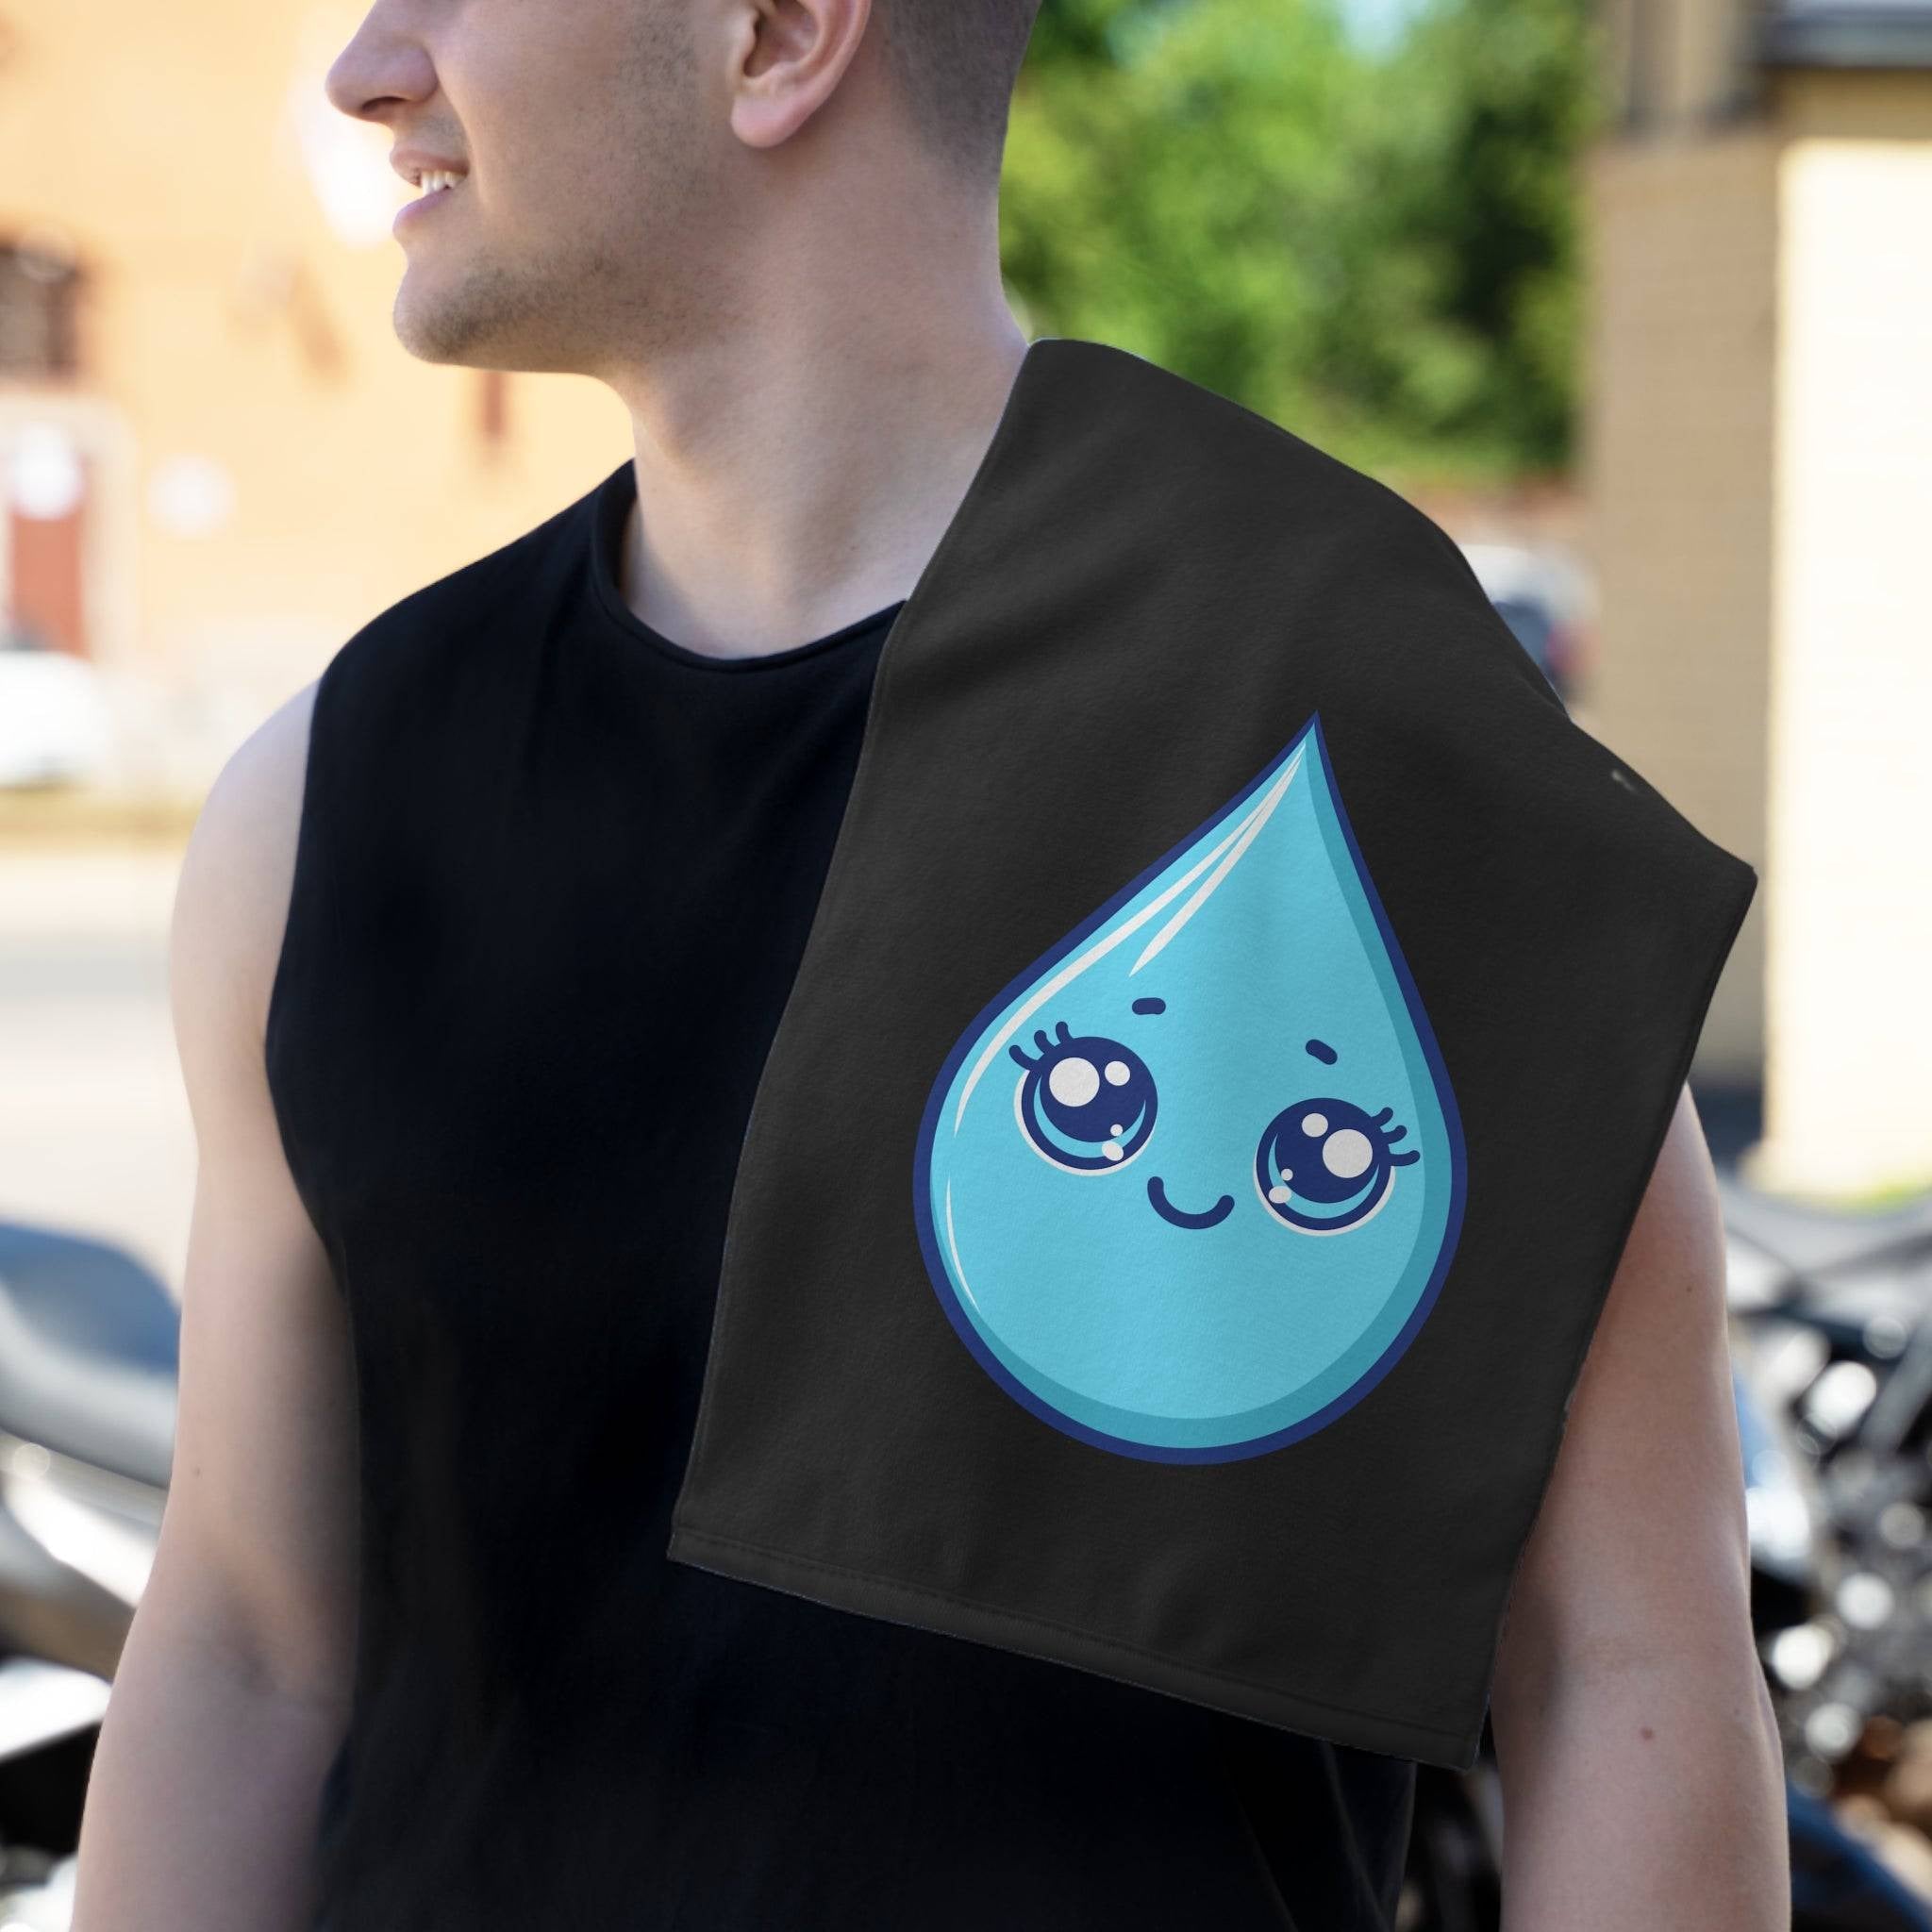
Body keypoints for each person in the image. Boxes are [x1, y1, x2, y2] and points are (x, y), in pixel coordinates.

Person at [70, 0, 1790, 1924]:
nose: (371, 65)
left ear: (779, 35)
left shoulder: (1362, 744)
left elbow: (1619, 1667)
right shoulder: (332, 799)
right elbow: (246, 1649)